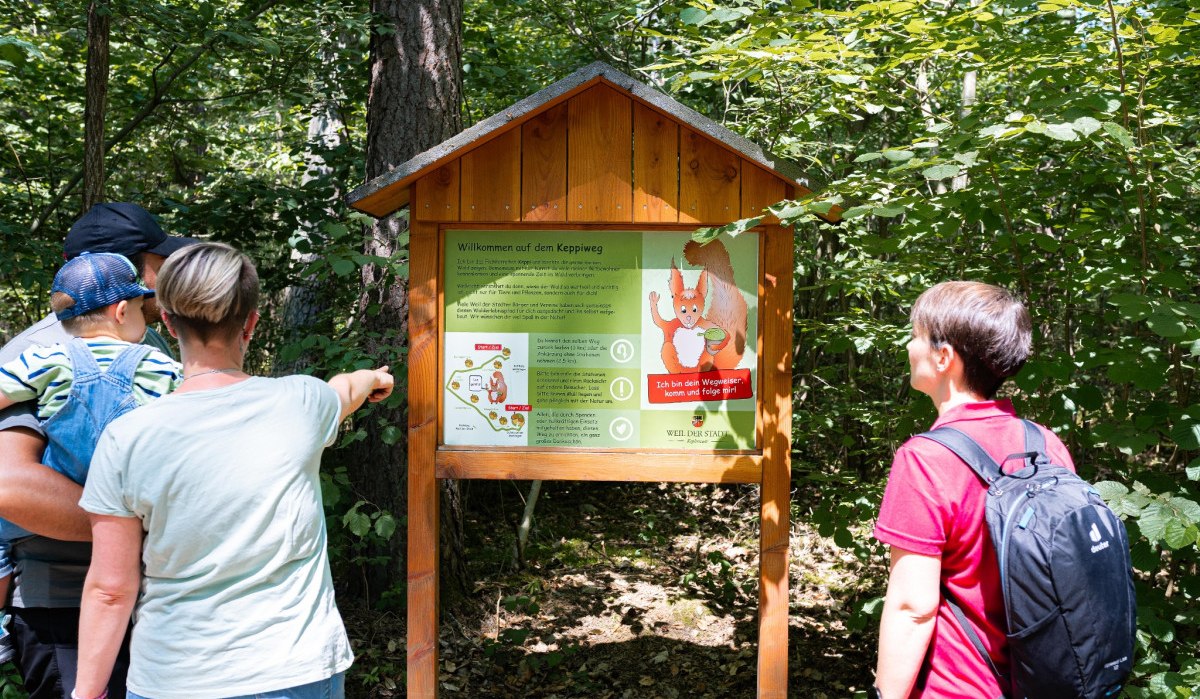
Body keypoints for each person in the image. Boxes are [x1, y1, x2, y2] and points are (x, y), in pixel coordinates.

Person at [74, 242, 394, 699]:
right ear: (251, 324)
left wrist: (86, 693)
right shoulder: (300, 402)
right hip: (294, 670)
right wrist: (376, 378)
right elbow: (345, 389)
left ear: (166, 320)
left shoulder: (127, 438)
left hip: (172, 678)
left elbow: (110, 588)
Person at [0, 203, 196, 698]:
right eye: (157, 262)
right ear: (123, 278)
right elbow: (11, 485)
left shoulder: (143, 339)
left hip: (148, 598)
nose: (163, 276)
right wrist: (134, 525)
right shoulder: (39, 355)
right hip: (66, 606)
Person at [871, 281, 1075, 699]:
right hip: (1041, 681)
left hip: (958, 686)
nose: (910, 346)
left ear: (944, 357)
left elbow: (913, 608)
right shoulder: (1044, 443)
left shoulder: (925, 459)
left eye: (916, 336)